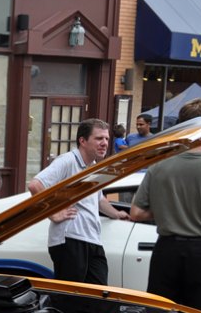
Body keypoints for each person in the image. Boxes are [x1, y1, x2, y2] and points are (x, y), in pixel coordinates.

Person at [129, 99, 201, 313]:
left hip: (166, 252)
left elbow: (136, 212)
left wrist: (167, 208)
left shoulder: (159, 165)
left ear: (182, 125)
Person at [27, 118, 129, 284]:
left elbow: (99, 199)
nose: (104, 143)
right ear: (82, 141)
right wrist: (54, 213)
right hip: (70, 239)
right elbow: (35, 185)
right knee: (71, 300)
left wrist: (117, 214)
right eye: (98, 138)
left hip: (92, 239)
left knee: (98, 296)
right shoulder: (67, 161)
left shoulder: (95, 167)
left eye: (106, 139)